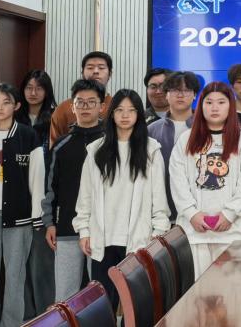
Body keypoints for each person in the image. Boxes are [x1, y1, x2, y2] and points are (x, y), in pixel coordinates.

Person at [73, 90, 170, 310]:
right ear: (111, 114)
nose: (125, 115)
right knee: (103, 305)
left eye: (131, 110)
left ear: (139, 115)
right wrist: (84, 231)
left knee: (136, 307)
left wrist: (157, 233)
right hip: (102, 239)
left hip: (139, 239)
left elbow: (159, 199)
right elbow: (85, 196)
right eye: (119, 110)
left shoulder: (151, 150)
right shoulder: (96, 150)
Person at [170, 82, 241, 278]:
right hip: (195, 235)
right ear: (200, 105)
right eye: (209, 102)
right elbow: (177, 182)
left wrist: (229, 214)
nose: (214, 107)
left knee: (235, 292)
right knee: (200, 293)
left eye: (221, 102)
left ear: (231, 106)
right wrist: (191, 213)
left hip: (235, 234)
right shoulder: (186, 139)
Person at [0, 83, 42, 327]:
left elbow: (37, 178)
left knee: (15, 278)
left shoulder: (27, 136)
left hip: (19, 218)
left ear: (17, 106)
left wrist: (37, 217)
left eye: (6, 102)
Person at [42, 79, 106, 301]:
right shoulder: (61, 145)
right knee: (65, 294)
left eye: (91, 102)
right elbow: (50, 188)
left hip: (101, 229)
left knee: (100, 293)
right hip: (67, 227)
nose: (85, 107)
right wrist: (50, 223)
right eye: (80, 102)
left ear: (101, 106)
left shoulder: (110, 143)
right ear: (72, 106)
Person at [16, 70, 57, 319]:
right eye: (29, 87)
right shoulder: (14, 118)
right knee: (18, 264)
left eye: (39, 88)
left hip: (44, 196)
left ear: (46, 91)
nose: (33, 92)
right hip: (17, 195)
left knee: (41, 264)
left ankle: (45, 317)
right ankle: (25, 317)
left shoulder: (54, 118)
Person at [148, 71, 201, 221]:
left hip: (198, 209)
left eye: (186, 90)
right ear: (166, 94)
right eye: (175, 90)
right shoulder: (151, 130)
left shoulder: (204, 129)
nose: (181, 95)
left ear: (195, 95)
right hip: (161, 207)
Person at [49, 51, 112, 146]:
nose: (95, 71)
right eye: (90, 67)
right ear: (82, 73)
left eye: (101, 68)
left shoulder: (117, 106)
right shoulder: (63, 109)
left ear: (110, 73)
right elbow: (55, 146)